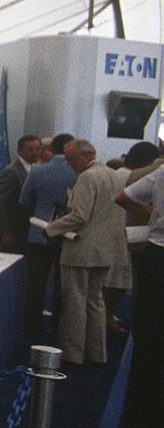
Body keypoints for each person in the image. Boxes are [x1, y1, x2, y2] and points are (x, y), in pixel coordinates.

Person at [45, 140, 128, 367]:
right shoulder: (114, 175)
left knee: (75, 301)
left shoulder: (88, 178)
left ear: (87, 156)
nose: (69, 164)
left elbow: (79, 215)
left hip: (81, 248)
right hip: (105, 249)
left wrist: (51, 229)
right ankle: (96, 353)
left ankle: (72, 353)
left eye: (71, 159)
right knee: (95, 301)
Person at [117, 164, 164, 428]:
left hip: (156, 257)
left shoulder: (160, 173)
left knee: (148, 338)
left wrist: (154, 215)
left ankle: (139, 417)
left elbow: (123, 197)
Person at [20, 133, 77, 340]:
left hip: (39, 232)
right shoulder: (79, 173)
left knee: (36, 282)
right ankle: (58, 328)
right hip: (69, 235)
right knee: (63, 285)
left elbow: (24, 200)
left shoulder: (38, 172)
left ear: (51, 148)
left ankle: (30, 326)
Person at [0, 134, 43, 253]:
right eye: (30, 149)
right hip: (10, 232)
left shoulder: (34, 169)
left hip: (24, 231)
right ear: (20, 151)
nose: (35, 153)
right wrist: (6, 233)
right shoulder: (11, 172)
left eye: (38, 149)